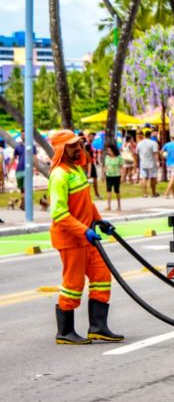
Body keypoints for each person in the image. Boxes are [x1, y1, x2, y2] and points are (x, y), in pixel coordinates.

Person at [48, 130, 123, 345]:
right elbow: (59, 213)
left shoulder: (77, 170)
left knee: (101, 275)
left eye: (78, 144)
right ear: (62, 149)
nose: (77, 148)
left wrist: (99, 221)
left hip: (87, 236)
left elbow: (87, 204)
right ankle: (65, 331)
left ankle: (98, 327)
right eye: (72, 145)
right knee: (73, 283)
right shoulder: (59, 175)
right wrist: (84, 230)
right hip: (71, 239)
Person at [12, 131, 36, 204]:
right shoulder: (18, 147)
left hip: (28, 170)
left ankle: (26, 203)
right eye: (22, 135)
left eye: (25, 134)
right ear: (21, 136)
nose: (23, 136)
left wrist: (36, 168)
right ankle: (23, 202)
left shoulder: (32, 146)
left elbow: (35, 158)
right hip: (19, 170)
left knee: (27, 187)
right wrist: (8, 169)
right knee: (21, 188)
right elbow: (13, 158)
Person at [135, 129, 160, 198]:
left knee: (143, 177)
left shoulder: (139, 143)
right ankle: (153, 193)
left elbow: (136, 153)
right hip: (151, 163)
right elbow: (155, 153)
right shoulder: (153, 143)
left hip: (142, 162)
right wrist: (157, 161)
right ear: (150, 135)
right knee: (152, 177)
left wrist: (136, 162)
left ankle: (144, 194)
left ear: (144, 135)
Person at [104, 144, 123, 211]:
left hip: (116, 175)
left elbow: (122, 167)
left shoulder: (119, 157)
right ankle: (108, 205)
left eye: (110, 150)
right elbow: (105, 166)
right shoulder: (107, 157)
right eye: (108, 150)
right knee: (108, 190)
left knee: (117, 191)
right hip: (109, 175)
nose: (109, 152)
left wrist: (122, 176)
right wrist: (103, 175)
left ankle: (119, 205)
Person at [85, 131, 101, 200]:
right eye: (91, 136)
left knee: (94, 178)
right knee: (88, 179)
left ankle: (96, 193)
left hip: (92, 163)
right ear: (88, 137)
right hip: (88, 163)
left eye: (94, 136)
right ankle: (90, 194)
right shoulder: (86, 145)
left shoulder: (91, 145)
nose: (93, 138)